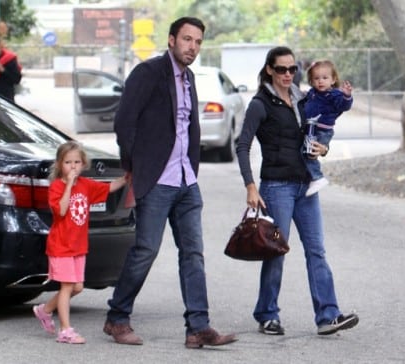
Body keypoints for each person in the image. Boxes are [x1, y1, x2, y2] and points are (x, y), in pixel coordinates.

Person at [103, 16, 237, 349]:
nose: (192, 47)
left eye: (198, 42)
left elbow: (187, 127)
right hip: (158, 180)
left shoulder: (190, 77)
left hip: (187, 181)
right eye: (187, 39)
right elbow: (124, 122)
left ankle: (198, 327)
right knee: (145, 250)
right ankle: (117, 318)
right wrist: (136, 166)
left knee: (193, 254)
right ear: (171, 40)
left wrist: (191, 167)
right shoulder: (148, 73)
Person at [236, 46, 359, 336]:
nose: (288, 74)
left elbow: (318, 131)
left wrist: (324, 149)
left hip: (307, 186)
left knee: (317, 250)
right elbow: (242, 146)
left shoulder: (303, 99)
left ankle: (328, 316)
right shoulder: (260, 104)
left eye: (293, 69)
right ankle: (267, 314)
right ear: (270, 70)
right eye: (281, 69)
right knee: (276, 251)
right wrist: (250, 186)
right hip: (277, 187)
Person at [33, 141, 127, 344]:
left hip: (78, 246)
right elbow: (62, 210)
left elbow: (109, 187)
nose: (73, 166)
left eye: (77, 162)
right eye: (68, 162)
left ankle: (45, 309)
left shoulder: (85, 185)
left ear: (83, 164)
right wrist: (68, 185)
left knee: (77, 287)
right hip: (61, 245)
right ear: (59, 165)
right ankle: (65, 331)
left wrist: (127, 177)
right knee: (67, 287)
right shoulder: (57, 187)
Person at [303, 60, 353, 196]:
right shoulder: (313, 93)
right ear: (311, 81)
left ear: (333, 80)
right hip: (312, 128)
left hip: (323, 130)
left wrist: (347, 96)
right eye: (316, 78)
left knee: (309, 153)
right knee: (306, 151)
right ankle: (313, 177)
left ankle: (317, 178)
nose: (320, 81)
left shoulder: (334, 94)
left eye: (325, 78)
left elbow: (344, 105)